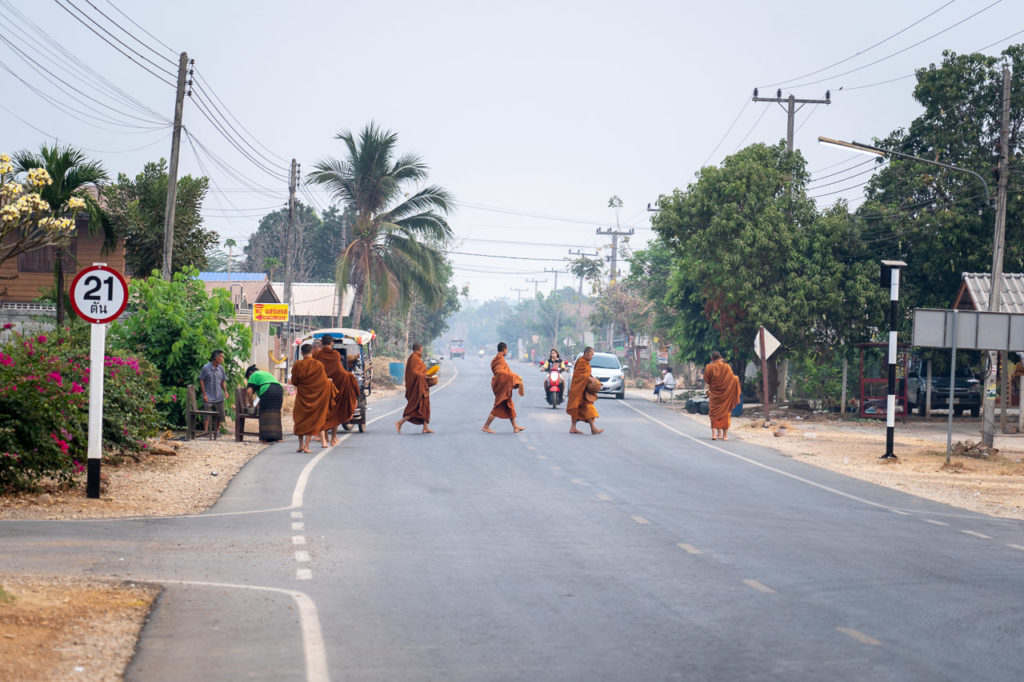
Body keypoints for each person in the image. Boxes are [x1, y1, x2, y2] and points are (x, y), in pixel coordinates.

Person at [314, 335, 360, 445]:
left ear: (321, 343)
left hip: (322, 385)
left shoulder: (317, 355)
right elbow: (338, 370)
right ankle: (334, 437)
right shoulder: (336, 354)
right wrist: (349, 377)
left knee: (323, 412)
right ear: (332, 343)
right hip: (337, 385)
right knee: (336, 412)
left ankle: (324, 437)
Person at [290, 343, 337, 452]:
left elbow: (294, 381)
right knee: (312, 420)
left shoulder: (297, 365)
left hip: (302, 397)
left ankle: (300, 445)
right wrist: (329, 384)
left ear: (301, 353)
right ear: (312, 352)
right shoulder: (318, 365)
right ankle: (306, 446)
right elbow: (323, 382)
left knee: (300, 419)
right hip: (315, 398)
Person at [482, 341, 526, 434]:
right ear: (504, 349)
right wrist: (515, 377)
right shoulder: (500, 359)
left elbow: (498, 371)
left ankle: (515, 427)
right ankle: (486, 426)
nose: (507, 351)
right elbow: (501, 373)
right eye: (507, 349)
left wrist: (511, 376)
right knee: (498, 406)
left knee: (509, 406)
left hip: (501, 385)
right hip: (501, 386)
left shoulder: (495, 359)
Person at [396, 342, 434, 434]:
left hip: (422, 386)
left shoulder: (417, 358)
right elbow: (414, 372)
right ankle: (400, 423)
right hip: (418, 388)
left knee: (424, 407)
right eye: (422, 348)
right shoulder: (414, 358)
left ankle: (425, 427)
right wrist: (424, 376)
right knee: (416, 408)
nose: (422, 350)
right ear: (419, 348)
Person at [703, 351, 741, 441]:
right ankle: (724, 435)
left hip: (714, 395)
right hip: (725, 395)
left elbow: (707, 380)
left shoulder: (709, 367)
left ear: (712, 359)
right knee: (725, 413)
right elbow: (733, 378)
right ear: (720, 357)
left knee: (714, 413)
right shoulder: (726, 367)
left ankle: (714, 435)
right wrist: (736, 378)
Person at [566, 346, 603, 435]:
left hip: (583, 389)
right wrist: (588, 378)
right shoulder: (581, 361)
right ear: (586, 354)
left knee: (585, 407)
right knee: (576, 407)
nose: (592, 357)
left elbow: (586, 374)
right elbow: (579, 375)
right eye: (591, 355)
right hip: (577, 388)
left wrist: (591, 378)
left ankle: (584, 428)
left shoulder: (586, 362)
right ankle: (581, 428)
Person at [245, 365, 284, 443]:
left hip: (268, 390)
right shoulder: (265, 373)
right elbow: (262, 397)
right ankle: (278, 437)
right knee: (276, 413)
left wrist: (251, 405)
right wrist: (258, 405)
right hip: (279, 390)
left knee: (264, 414)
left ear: (250, 373)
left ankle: (264, 439)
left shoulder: (253, 375)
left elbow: (249, 392)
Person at [199, 349, 227, 435]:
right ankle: (206, 431)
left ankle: (217, 431)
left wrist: (225, 391)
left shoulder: (221, 369)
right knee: (206, 415)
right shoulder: (206, 368)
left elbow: (223, 381)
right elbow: (201, 380)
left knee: (220, 415)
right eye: (221, 357)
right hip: (208, 395)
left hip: (218, 395)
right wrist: (204, 394)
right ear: (216, 358)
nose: (222, 359)